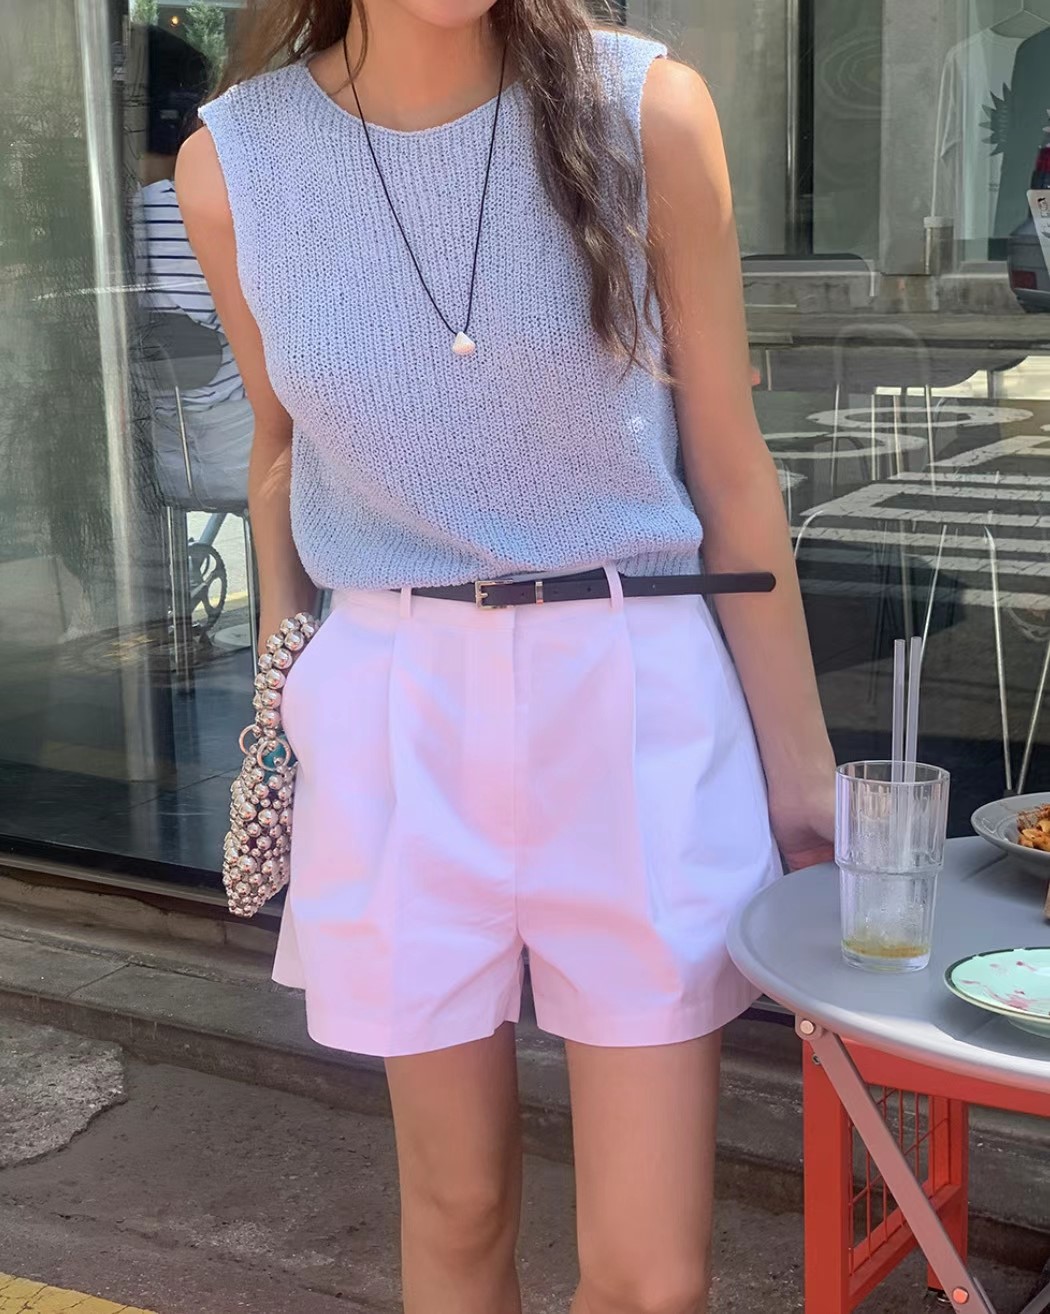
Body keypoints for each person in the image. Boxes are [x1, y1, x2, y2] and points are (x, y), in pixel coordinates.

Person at [176, 0, 835, 1308]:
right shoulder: (232, 165)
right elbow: (281, 449)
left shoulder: (646, 111)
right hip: (394, 696)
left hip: (630, 684)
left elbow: (728, 461)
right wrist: (284, 696)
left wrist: (801, 770)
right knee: (456, 1206)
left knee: (650, 1274)